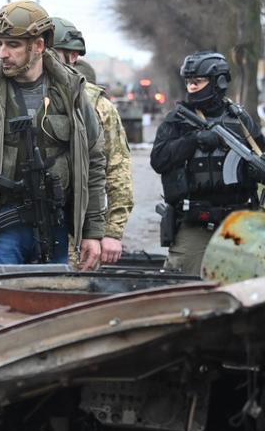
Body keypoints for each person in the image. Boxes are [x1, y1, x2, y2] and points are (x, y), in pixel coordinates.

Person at [0, 0, 105, 276]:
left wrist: (93, 231)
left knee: (51, 310)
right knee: (0, 312)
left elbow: (94, 162)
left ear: (38, 46)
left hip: (55, 227)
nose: (3, 53)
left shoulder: (71, 91)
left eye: (12, 45)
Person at [150, 51, 263, 274]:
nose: (192, 87)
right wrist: (194, 141)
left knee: (246, 286)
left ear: (218, 82)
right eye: (189, 82)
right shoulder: (178, 120)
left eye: (198, 82)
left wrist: (258, 171)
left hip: (239, 221)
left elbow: (260, 151)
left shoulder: (239, 119)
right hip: (195, 222)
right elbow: (159, 160)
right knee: (183, 285)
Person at [51, 18, 133, 265]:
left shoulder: (97, 105)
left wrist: (111, 232)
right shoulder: (13, 95)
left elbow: (117, 171)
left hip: (78, 232)